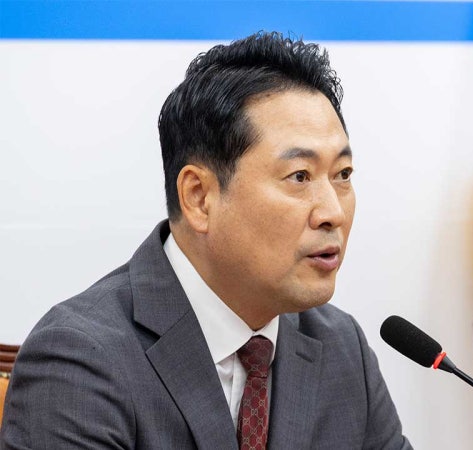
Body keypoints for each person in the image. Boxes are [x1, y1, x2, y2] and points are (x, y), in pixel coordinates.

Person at [0, 32, 411, 449]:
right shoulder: (80, 360)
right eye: (299, 176)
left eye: (342, 175)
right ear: (198, 197)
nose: (333, 212)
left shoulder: (340, 346)